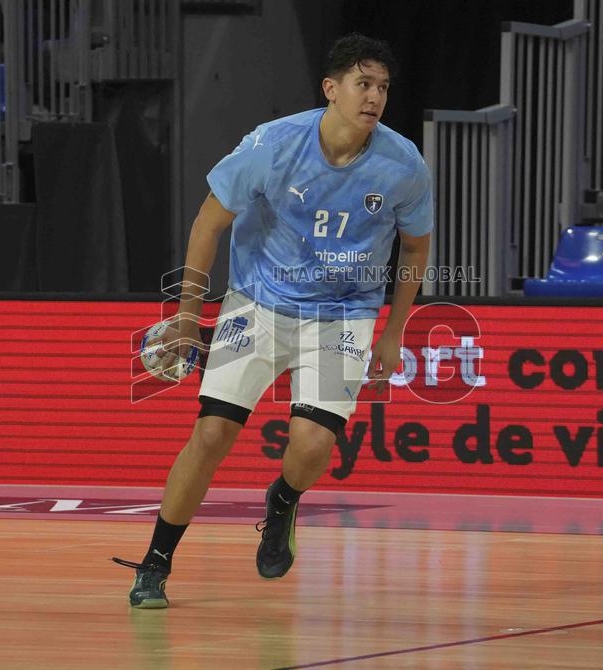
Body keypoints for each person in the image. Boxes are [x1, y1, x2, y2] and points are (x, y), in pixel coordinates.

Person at [112, 33, 433, 609]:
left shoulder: (403, 164)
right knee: (211, 434)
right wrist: (187, 318)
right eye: (363, 84)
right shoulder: (272, 145)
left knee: (311, 446)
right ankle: (156, 563)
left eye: (383, 87)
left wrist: (393, 332)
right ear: (331, 90)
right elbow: (207, 226)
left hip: (343, 314)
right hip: (256, 303)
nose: (375, 97)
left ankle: (282, 500)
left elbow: (415, 250)